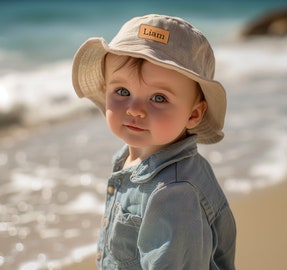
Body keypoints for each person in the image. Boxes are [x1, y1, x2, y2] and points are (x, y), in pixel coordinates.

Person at [72, 14, 236, 270]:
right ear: (106, 92)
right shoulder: (133, 157)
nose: (135, 110)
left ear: (193, 114)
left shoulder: (174, 194)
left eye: (158, 98)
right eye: (123, 92)